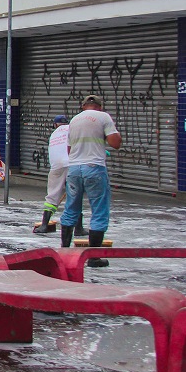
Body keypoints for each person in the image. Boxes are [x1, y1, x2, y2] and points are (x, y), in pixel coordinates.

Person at [59, 94, 122, 267]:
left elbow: (69, 148)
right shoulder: (103, 117)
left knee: (71, 208)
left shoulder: (74, 120)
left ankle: (64, 251)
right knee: (99, 210)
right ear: (99, 107)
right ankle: (93, 257)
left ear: (83, 106)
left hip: (74, 169)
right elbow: (115, 143)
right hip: (94, 168)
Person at [33, 115, 87, 235]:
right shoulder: (72, 129)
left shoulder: (54, 134)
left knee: (52, 195)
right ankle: (78, 228)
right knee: (75, 195)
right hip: (72, 164)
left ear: (55, 124)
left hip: (56, 166)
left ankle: (44, 225)